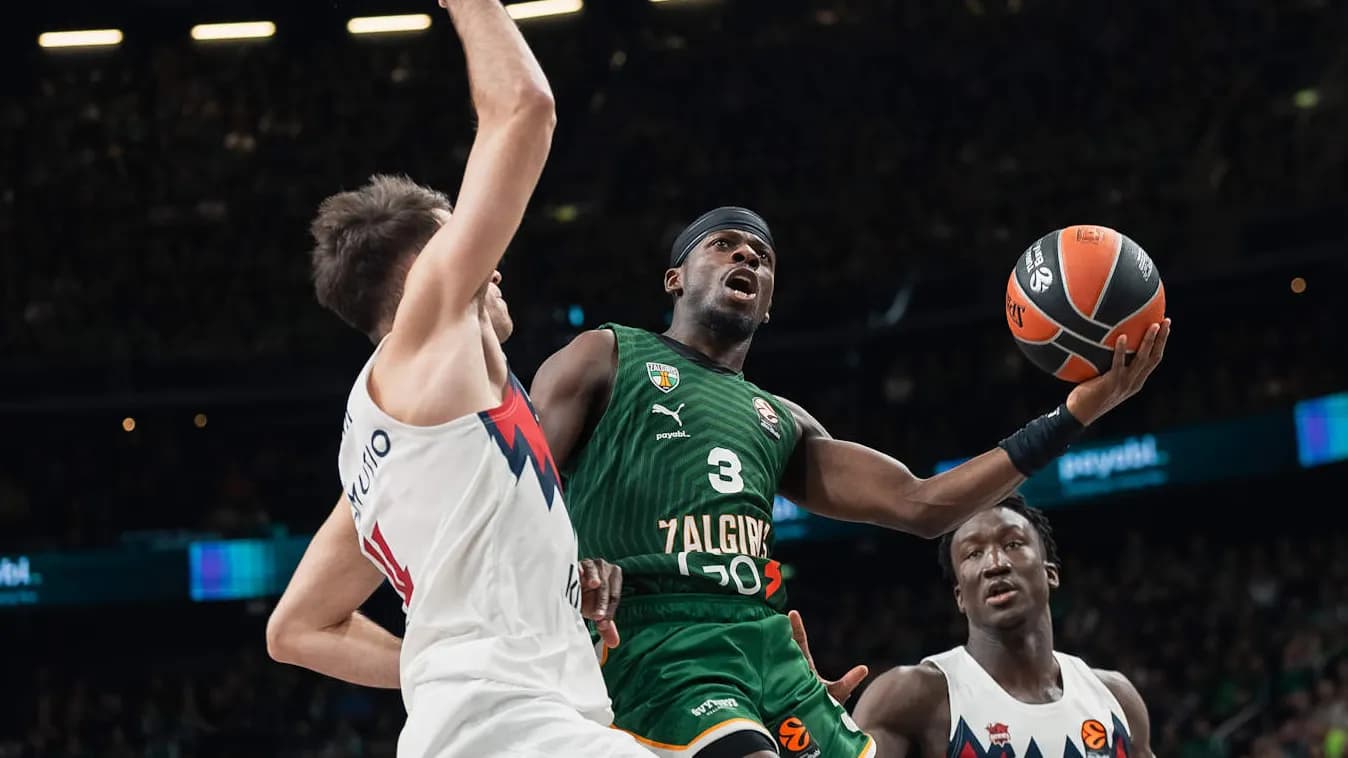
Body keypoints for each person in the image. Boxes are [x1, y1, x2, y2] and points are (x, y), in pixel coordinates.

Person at [529, 206, 1170, 757]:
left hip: (763, 642)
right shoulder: (607, 353)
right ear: (675, 279)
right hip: (649, 630)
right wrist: (570, 565)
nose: (746, 257)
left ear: (771, 301)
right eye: (724, 245)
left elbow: (920, 504)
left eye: (762, 256)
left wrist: (1072, 415)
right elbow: (513, 489)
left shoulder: (781, 421)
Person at [264, 2, 651, 755]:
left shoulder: (385, 453)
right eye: (461, 236)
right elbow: (524, 110)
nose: (492, 258)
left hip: (484, 726)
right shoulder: (433, 326)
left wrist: (444, 667)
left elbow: (297, 628)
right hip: (511, 731)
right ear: (427, 267)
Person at [791, 494, 1155, 758]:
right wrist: (818, 735)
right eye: (973, 553)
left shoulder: (1116, 699)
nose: (995, 563)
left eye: (1013, 544)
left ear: (1051, 574)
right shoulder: (911, 697)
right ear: (960, 596)